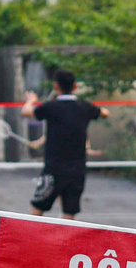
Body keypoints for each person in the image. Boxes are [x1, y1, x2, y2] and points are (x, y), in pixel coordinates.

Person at [21, 69, 108, 219]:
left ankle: (29, 242)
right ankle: (63, 242)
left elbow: (26, 112)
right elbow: (105, 113)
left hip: (53, 170)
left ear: (56, 86)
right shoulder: (85, 107)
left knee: (36, 213)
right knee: (69, 216)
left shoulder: (50, 107)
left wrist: (31, 100)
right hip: (77, 170)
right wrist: (100, 111)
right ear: (75, 87)